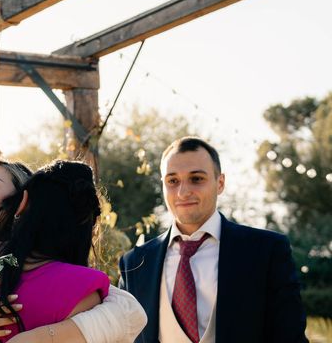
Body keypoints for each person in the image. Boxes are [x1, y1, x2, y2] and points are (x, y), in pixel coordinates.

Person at [118, 136, 308, 343]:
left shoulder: (267, 250)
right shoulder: (134, 264)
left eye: (196, 179)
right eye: (172, 181)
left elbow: (291, 337)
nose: (183, 192)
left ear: (220, 183)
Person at [0, 156, 146, 343]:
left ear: (23, 202)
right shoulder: (86, 287)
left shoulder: (71, 282)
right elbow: (130, 311)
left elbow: (127, 311)